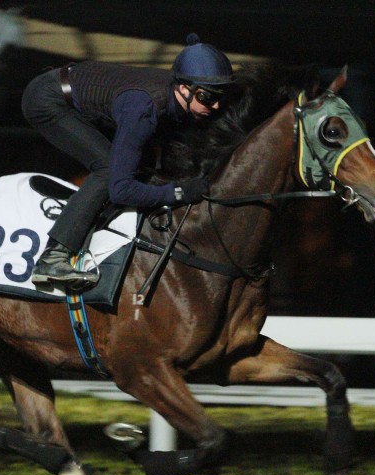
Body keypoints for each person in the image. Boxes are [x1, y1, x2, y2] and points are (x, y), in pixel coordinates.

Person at [21, 33, 233, 290]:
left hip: (86, 99)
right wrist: (178, 193)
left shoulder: (173, 100)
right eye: (207, 97)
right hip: (47, 100)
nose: (216, 104)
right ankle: (53, 258)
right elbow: (120, 189)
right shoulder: (144, 109)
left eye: (221, 96)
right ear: (183, 88)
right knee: (107, 168)